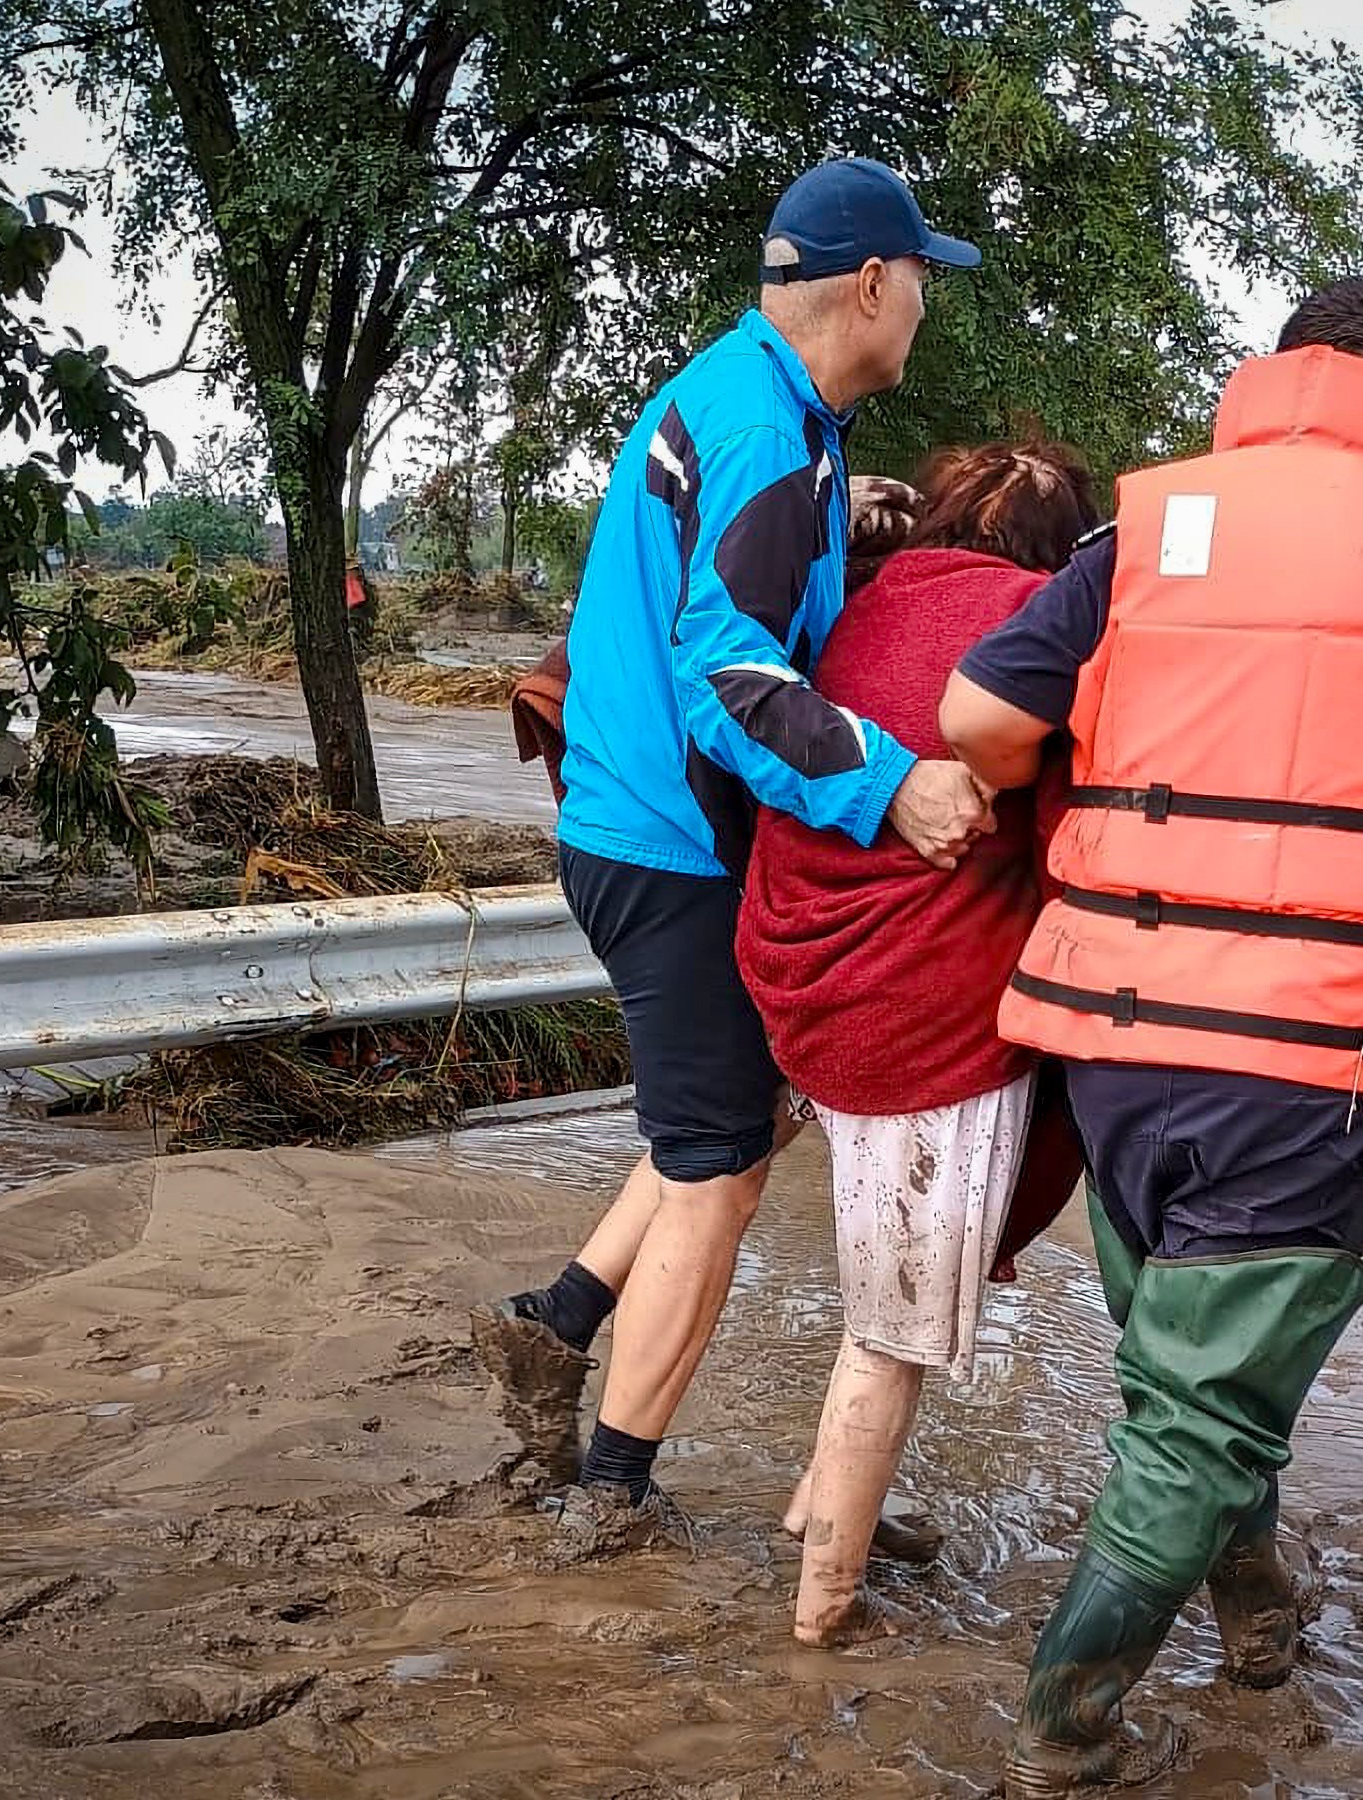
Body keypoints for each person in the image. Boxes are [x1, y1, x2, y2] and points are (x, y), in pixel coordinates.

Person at [940, 277, 1363, 1794]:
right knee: (1205, 1399)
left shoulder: (1142, 529)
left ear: (1282, 373)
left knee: (1188, 1361)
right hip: (1312, 1049)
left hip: (1117, 1035)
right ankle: (1064, 1729)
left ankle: (1256, 1609)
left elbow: (977, 724)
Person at [473, 158, 993, 1553]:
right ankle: (610, 1486)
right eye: (921, 280)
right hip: (675, 847)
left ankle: (557, 1320)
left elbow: (737, 563)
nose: (926, 306)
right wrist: (892, 788)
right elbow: (729, 677)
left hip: (628, 823)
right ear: (872, 285)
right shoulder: (770, 436)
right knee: (719, 1165)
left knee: (736, 1112)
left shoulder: (757, 402)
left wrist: (849, 512)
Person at [734, 441, 1100, 1645]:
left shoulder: (858, 600)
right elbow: (1069, 850)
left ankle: (824, 1508)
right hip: (914, 1022)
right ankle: (823, 1608)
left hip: (792, 985)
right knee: (889, 1337)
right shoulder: (1039, 636)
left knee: (862, 1286)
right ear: (1064, 554)